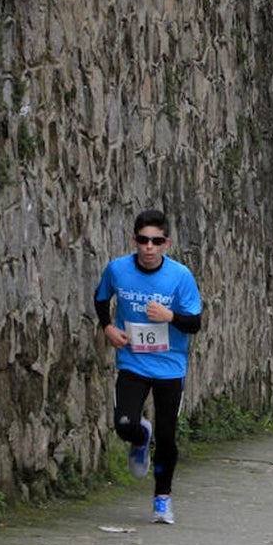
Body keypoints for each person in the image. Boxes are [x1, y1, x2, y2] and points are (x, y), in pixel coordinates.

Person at [94, 209, 203, 525]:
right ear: (134, 240)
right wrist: (108, 328)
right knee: (124, 423)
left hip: (170, 366)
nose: (149, 247)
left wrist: (170, 316)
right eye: (143, 240)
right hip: (133, 361)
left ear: (167, 243)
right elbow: (101, 299)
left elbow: (194, 323)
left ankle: (162, 499)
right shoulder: (117, 269)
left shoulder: (180, 276)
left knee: (167, 437)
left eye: (156, 241)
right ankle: (140, 436)